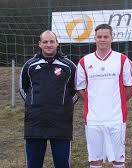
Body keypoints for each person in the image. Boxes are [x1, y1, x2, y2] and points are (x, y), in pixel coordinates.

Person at [76, 24, 132, 168]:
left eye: (106, 37)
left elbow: (129, 88)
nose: (102, 40)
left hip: (116, 118)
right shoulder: (85, 61)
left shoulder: (122, 59)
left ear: (111, 38)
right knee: (95, 160)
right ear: (95, 39)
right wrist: (94, 102)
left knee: (118, 160)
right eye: (99, 37)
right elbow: (80, 89)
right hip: (93, 119)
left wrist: (116, 101)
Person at [19, 30, 78, 168]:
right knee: (33, 165)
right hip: (35, 123)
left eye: (52, 41)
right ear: (39, 44)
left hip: (61, 123)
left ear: (57, 43)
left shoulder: (69, 66)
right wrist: (34, 105)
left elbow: (75, 91)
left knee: (62, 164)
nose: (48, 44)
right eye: (45, 42)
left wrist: (64, 107)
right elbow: (23, 89)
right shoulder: (29, 65)